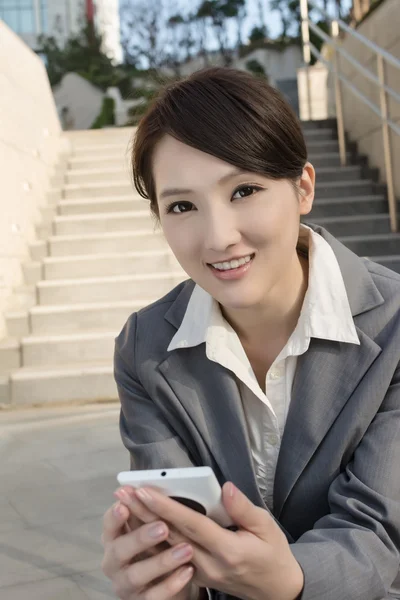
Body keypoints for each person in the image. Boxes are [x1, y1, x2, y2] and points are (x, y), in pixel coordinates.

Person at [101, 67, 400, 600]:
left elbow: (381, 532)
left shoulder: (396, 324)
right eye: (182, 206)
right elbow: (184, 532)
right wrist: (163, 576)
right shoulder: (144, 347)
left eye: (244, 190)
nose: (219, 237)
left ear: (303, 187)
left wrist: (293, 579)